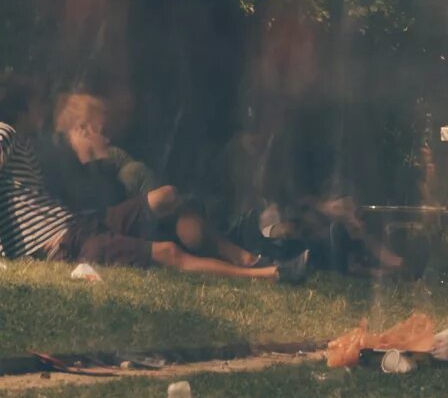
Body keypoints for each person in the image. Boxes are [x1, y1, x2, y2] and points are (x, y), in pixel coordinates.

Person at [32, 90, 306, 282]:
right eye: (103, 130)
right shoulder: (56, 160)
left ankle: (241, 251)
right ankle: (260, 269)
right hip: (86, 235)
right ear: (82, 129)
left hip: (102, 223)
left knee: (169, 197)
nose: (110, 137)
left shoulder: (103, 164)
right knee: (170, 245)